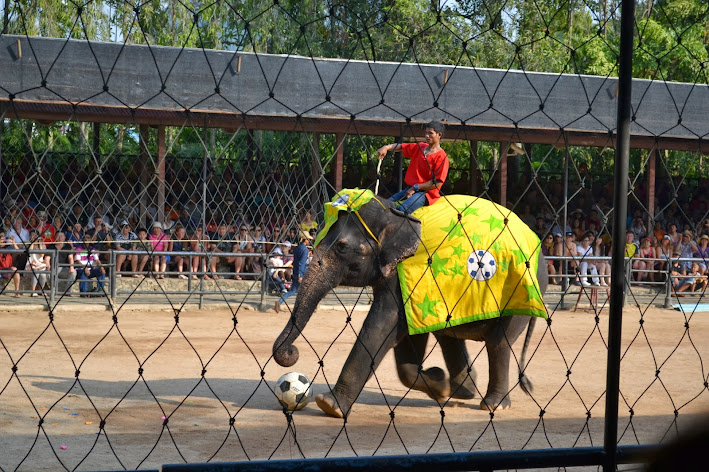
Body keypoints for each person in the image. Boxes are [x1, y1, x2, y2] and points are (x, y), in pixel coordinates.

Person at [377, 120, 449, 214]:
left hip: (426, 194)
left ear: (439, 135)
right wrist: (386, 147)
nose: (427, 136)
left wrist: (415, 187)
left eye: (430, 133)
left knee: (401, 210)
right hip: (410, 188)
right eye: (426, 133)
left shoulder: (442, 156)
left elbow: (437, 183)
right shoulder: (421, 147)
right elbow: (402, 147)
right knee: (385, 205)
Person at [275, 230, 311, 313]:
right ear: (305, 239)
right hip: (301, 273)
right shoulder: (304, 250)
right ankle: (304, 308)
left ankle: (280, 302)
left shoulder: (297, 248)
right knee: (306, 290)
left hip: (295, 271)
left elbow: (297, 262)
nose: (309, 241)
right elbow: (302, 263)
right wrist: (300, 275)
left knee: (293, 290)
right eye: (308, 239)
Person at [26, 230, 50, 297]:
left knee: (43, 275)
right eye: (32, 235)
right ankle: (32, 291)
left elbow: (42, 255)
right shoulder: (28, 244)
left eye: (35, 235)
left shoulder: (42, 245)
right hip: (30, 265)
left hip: (39, 264)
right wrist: (33, 243)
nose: (34, 237)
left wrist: (39, 244)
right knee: (36, 272)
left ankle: (40, 290)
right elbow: (29, 252)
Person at [0, 232, 21, 297]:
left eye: (3, 236)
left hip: (7, 267)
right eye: (1, 236)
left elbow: (19, 252)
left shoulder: (8, 247)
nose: (2, 238)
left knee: (15, 270)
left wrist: (13, 242)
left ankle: (17, 291)